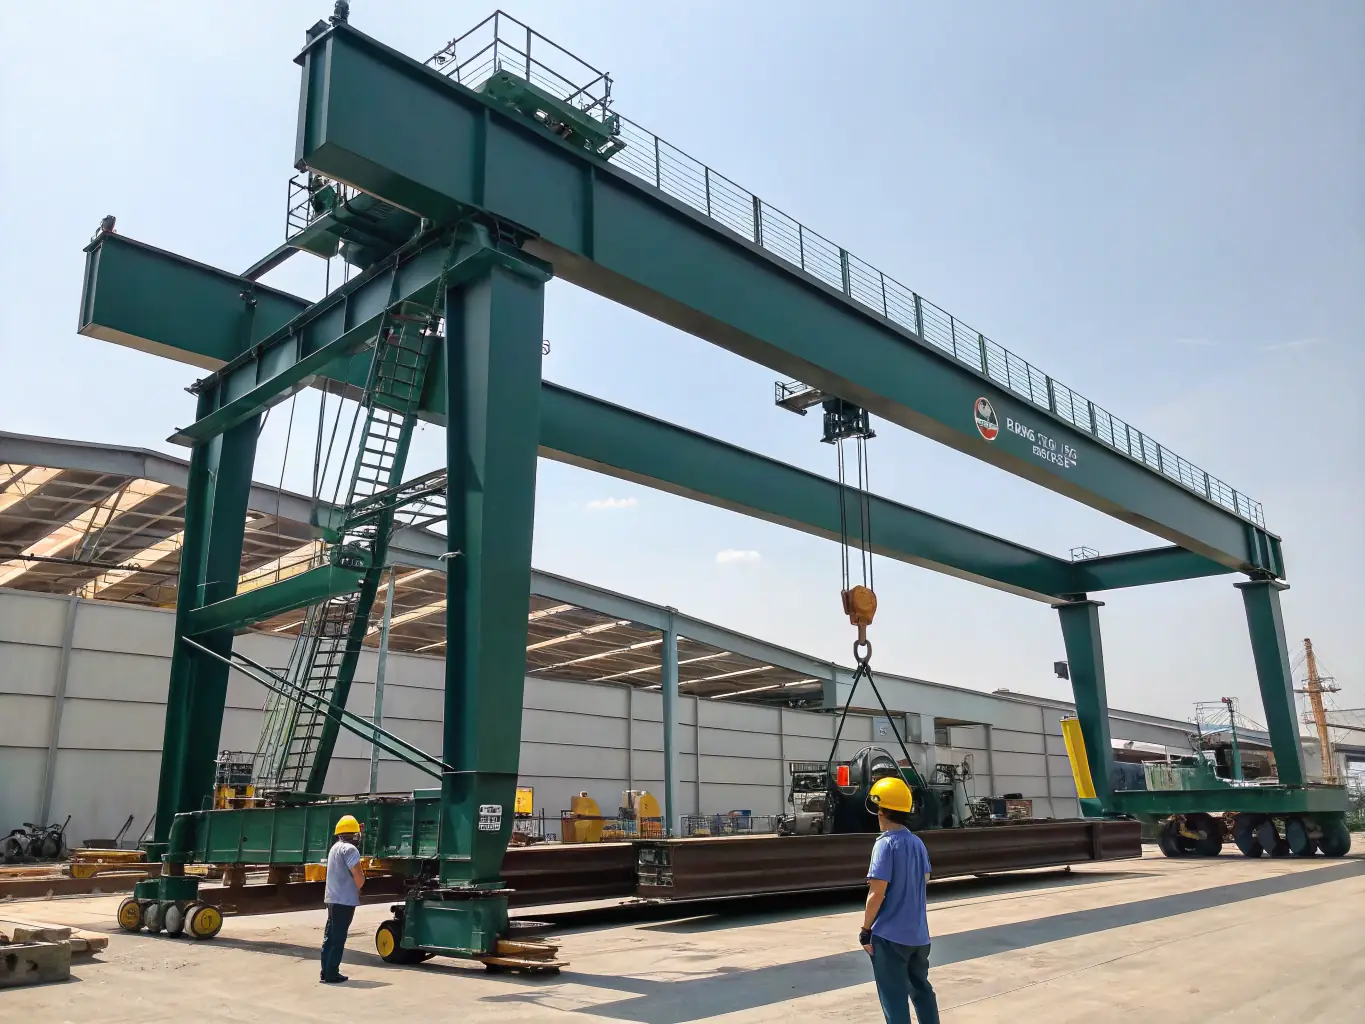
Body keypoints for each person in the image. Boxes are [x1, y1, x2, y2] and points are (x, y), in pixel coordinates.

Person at [860, 776, 939, 1024]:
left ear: (882, 810)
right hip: (919, 937)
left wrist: (865, 930)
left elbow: (877, 892)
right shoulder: (917, 843)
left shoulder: (884, 845)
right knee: (922, 991)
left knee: (893, 998)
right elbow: (924, 879)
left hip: (890, 938)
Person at [321, 814, 366, 984]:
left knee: (330, 936)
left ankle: (325, 971)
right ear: (353, 835)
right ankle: (332, 973)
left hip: (332, 898)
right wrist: (360, 886)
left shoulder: (335, 847)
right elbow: (358, 875)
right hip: (344, 900)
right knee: (338, 937)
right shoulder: (350, 850)